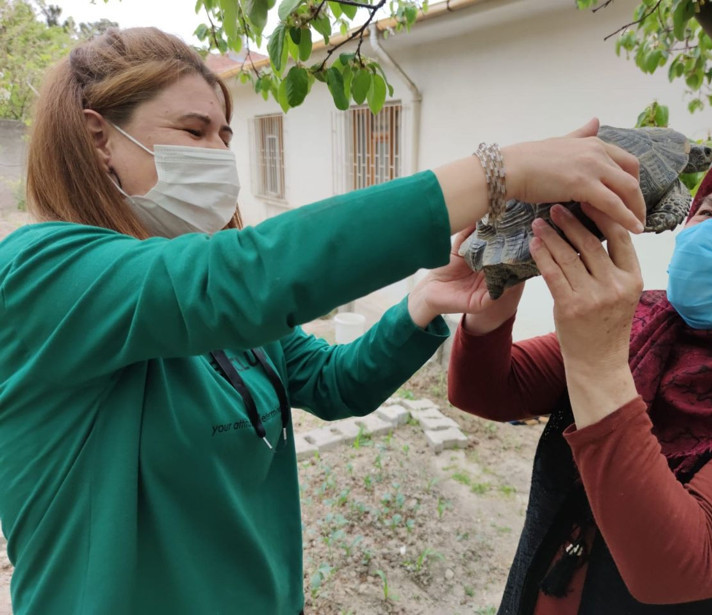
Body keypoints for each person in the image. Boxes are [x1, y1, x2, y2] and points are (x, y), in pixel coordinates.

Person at [0, 27, 647, 615]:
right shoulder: (41, 275)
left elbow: (335, 383)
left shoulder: (211, 301)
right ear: (97, 137)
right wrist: (496, 173)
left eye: (225, 135)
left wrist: (424, 302)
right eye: (194, 132)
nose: (219, 156)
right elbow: (244, 278)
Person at [446, 150, 712, 614]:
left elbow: (680, 564)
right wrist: (495, 296)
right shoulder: (650, 320)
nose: (711, 230)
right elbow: (488, 390)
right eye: (705, 211)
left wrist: (599, 363)